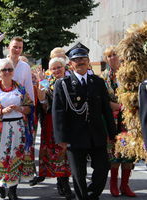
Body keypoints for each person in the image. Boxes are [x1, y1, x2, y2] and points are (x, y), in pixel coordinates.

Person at [52, 42, 116, 200]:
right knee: (78, 175)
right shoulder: (63, 84)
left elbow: (106, 109)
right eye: (76, 59)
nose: (80, 61)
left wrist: (112, 133)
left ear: (88, 61)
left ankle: (92, 194)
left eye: (83, 58)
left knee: (103, 168)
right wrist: (61, 139)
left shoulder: (98, 82)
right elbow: (58, 112)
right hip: (75, 137)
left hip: (97, 134)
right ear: (70, 64)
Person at [0, 59, 35, 200]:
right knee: (1, 157)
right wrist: (2, 111)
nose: (7, 72)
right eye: (4, 70)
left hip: (18, 128)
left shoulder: (20, 88)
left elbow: (30, 106)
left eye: (10, 69)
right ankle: (0, 184)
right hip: (0, 130)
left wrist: (21, 108)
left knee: (16, 157)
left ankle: (13, 191)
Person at [30, 57, 74, 200]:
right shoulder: (47, 83)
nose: (56, 70)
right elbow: (42, 100)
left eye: (59, 67)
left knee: (67, 154)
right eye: (53, 68)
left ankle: (64, 182)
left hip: (69, 122)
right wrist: (41, 85)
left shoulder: (71, 80)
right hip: (52, 122)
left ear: (64, 67)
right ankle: (63, 184)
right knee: (56, 153)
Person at [101, 46, 136, 197]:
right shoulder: (103, 78)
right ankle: (113, 185)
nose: (113, 58)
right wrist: (121, 106)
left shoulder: (128, 75)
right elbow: (103, 101)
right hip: (112, 121)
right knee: (115, 152)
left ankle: (125, 185)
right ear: (106, 59)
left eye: (115, 55)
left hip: (129, 120)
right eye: (109, 56)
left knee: (128, 151)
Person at [0, 36, 34, 101]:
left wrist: (31, 106)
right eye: (15, 47)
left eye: (20, 48)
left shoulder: (25, 66)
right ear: (8, 47)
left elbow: (29, 87)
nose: (17, 50)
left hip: (18, 103)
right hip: (1, 101)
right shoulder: (0, 63)